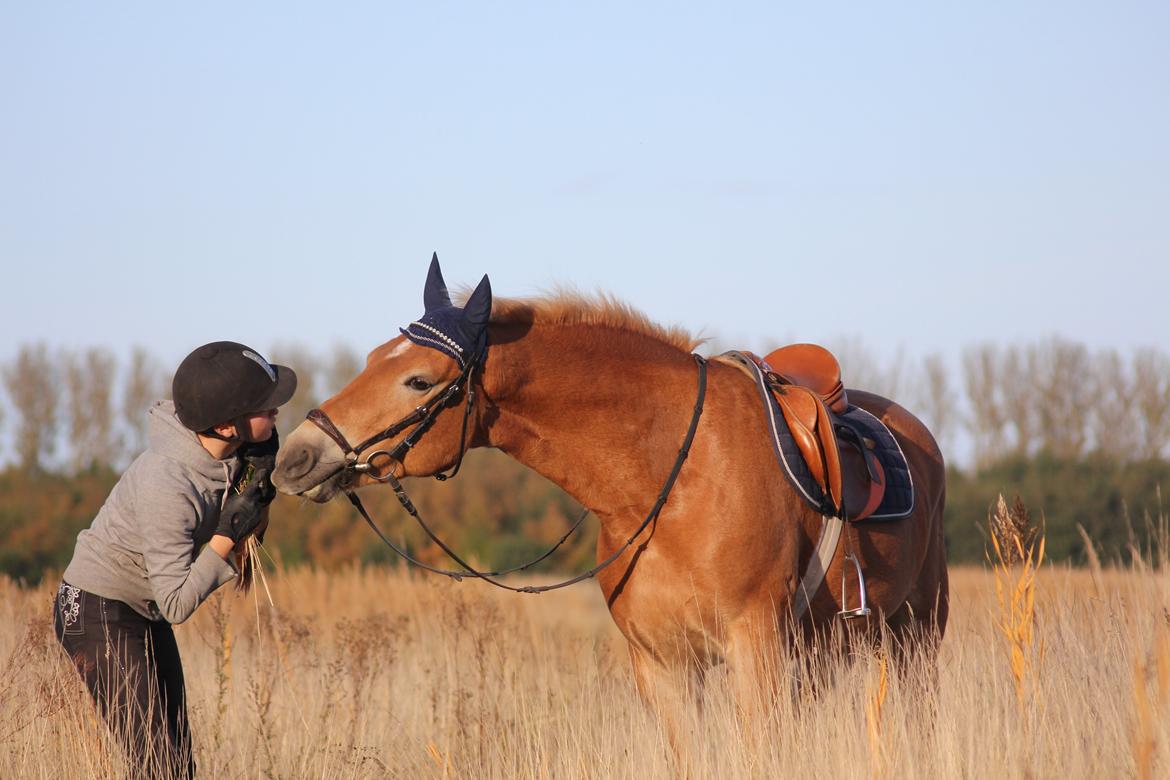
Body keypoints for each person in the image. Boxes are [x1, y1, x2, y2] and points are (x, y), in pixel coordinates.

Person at [53, 341, 297, 779]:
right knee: (156, 763)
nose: (278, 411)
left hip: (140, 610)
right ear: (226, 425)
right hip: (96, 610)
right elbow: (177, 603)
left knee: (178, 765)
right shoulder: (166, 482)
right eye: (267, 406)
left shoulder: (229, 455)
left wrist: (259, 482)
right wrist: (226, 534)